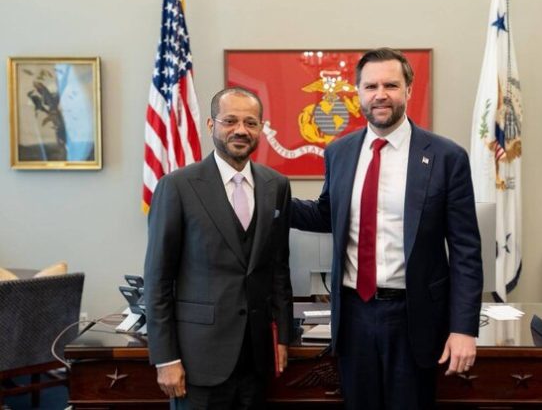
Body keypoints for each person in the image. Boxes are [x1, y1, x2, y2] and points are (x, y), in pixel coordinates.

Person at [291, 48, 483, 409]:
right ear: (358, 93)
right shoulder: (339, 152)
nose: (380, 94)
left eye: (391, 85)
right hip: (353, 316)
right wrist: (267, 196)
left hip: (414, 316)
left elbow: (466, 252)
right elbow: (327, 214)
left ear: (408, 90)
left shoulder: (446, 157)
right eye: (371, 86)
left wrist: (463, 328)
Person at [143, 87, 293, 410]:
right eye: (230, 121)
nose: (241, 130)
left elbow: (279, 270)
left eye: (250, 123)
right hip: (198, 360)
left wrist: (282, 337)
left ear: (260, 128)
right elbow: (157, 280)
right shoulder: (177, 186)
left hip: (257, 359)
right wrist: (165, 357)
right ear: (211, 125)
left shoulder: (277, 185)